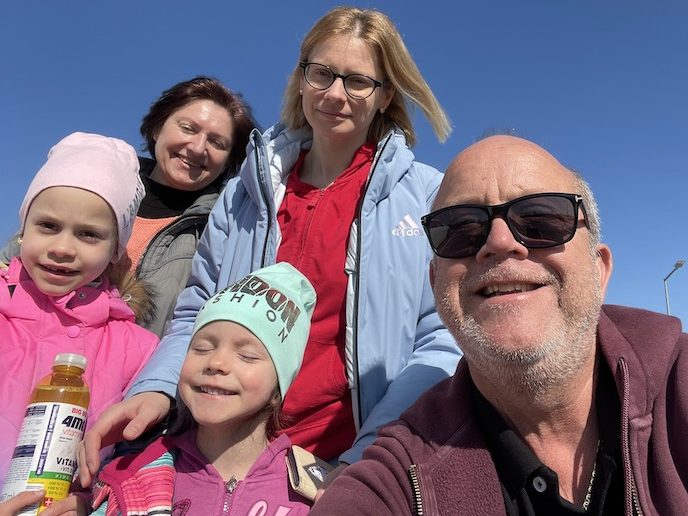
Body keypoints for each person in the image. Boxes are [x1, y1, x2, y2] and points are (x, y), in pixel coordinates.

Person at [311, 135, 688, 515]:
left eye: (542, 220)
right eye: (460, 229)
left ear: (600, 268)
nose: (500, 243)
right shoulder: (401, 471)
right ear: (437, 282)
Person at [79, 5, 461, 488]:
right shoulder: (245, 191)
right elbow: (198, 307)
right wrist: (159, 388)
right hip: (221, 453)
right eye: (321, 73)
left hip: (347, 459)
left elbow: (442, 338)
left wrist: (372, 456)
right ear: (301, 79)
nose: (335, 94)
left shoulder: (429, 196)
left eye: (358, 81)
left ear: (385, 96)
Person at [48, 263, 316, 515]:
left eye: (246, 355)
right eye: (201, 348)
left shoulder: (312, 494)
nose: (216, 362)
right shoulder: (132, 475)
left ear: (279, 383)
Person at [0, 76, 257, 337]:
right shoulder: (87, 187)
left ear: (228, 162)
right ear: (157, 129)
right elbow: (11, 263)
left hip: (142, 371)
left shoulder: (222, 232)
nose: (197, 147)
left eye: (217, 142)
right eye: (188, 128)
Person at [0, 133, 160, 483]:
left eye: (88, 234)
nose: (62, 247)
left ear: (116, 249)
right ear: (24, 229)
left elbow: (132, 461)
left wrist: (88, 500)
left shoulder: (139, 349)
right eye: (48, 226)